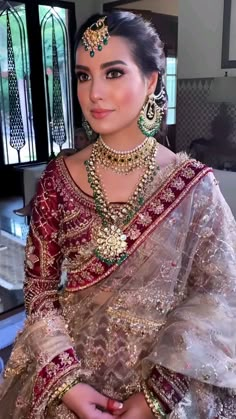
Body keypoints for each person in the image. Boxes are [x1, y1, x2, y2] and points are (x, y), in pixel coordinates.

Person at [1, 11, 236, 419]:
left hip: (167, 380)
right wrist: (67, 384)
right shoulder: (58, 180)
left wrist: (158, 395)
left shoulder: (194, 186)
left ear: (150, 81)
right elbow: (39, 292)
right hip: (69, 373)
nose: (93, 92)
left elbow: (220, 294)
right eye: (82, 75)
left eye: (112, 73)